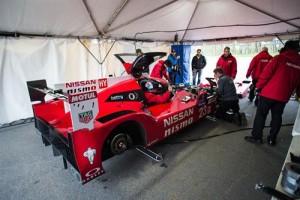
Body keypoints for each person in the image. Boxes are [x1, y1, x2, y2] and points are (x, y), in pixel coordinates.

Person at [245, 40, 300, 146]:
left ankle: (257, 137)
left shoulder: (279, 58)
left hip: (268, 93)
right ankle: (272, 139)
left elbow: (266, 73)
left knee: (261, 115)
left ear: (286, 48)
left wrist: (258, 86)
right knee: (277, 117)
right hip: (283, 96)